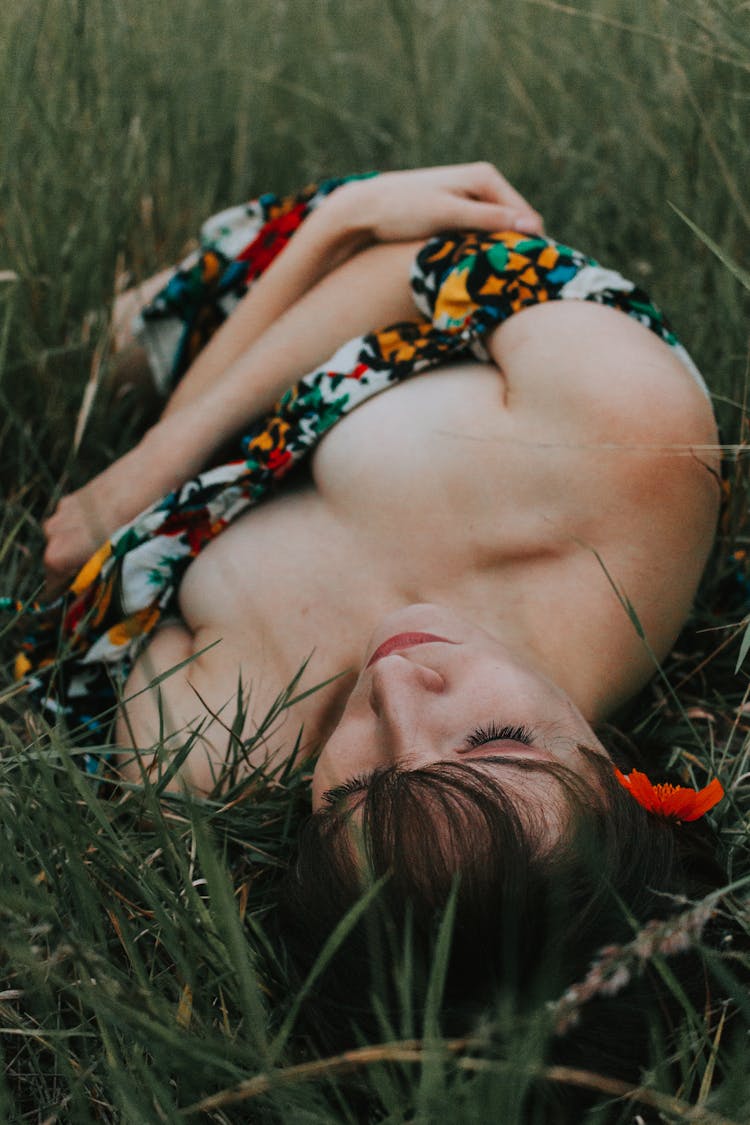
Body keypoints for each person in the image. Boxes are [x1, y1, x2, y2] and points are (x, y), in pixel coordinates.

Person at [35, 163, 731, 1110]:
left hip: (276, 298)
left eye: (359, 790)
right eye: (496, 741)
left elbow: (77, 607)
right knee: (89, 329)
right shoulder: (634, 455)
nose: (396, 689)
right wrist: (338, 224)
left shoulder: (199, 755)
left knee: (74, 349)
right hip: (323, 256)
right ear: (613, 772)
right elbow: (415, 260)